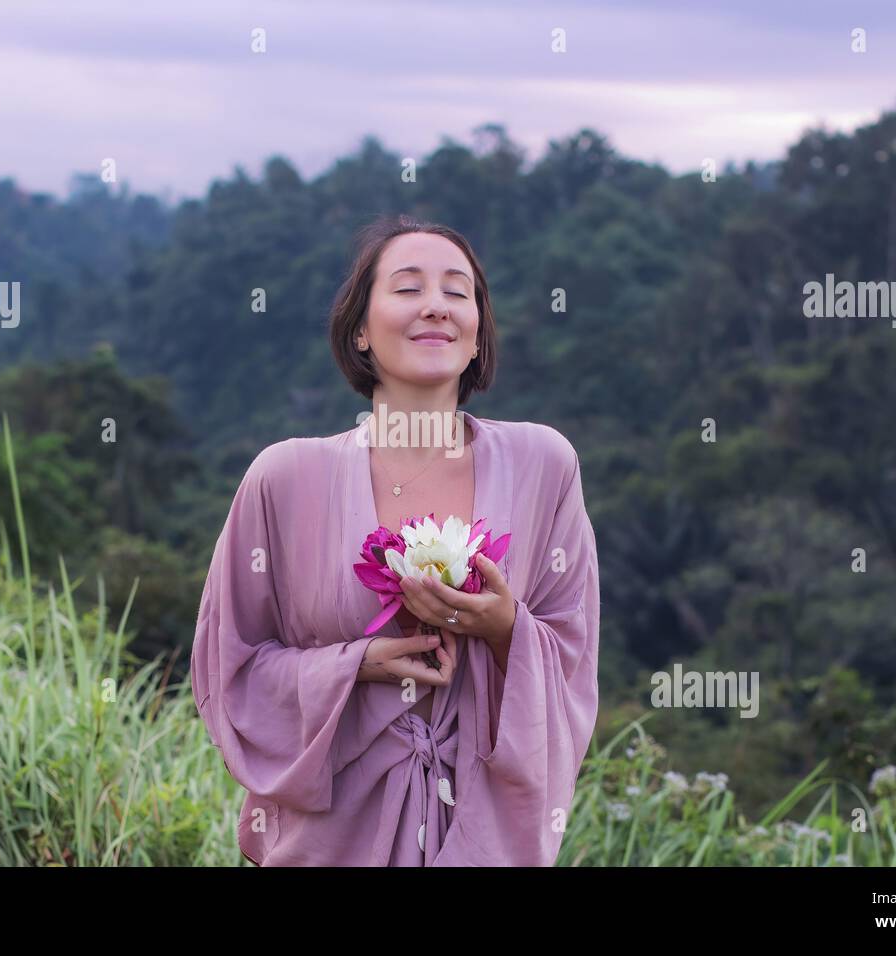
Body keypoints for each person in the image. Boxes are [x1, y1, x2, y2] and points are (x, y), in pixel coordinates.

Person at [190, 213, 599, 866]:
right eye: (408, 288)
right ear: (359, 331)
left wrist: (503, 629)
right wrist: (355, 667)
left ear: (476, 339)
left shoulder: (543, 464)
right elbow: (229, 665)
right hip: (326, 842)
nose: (435, 305)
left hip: (481, 840)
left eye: (457, 291)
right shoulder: (286, 477)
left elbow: (572, 657)